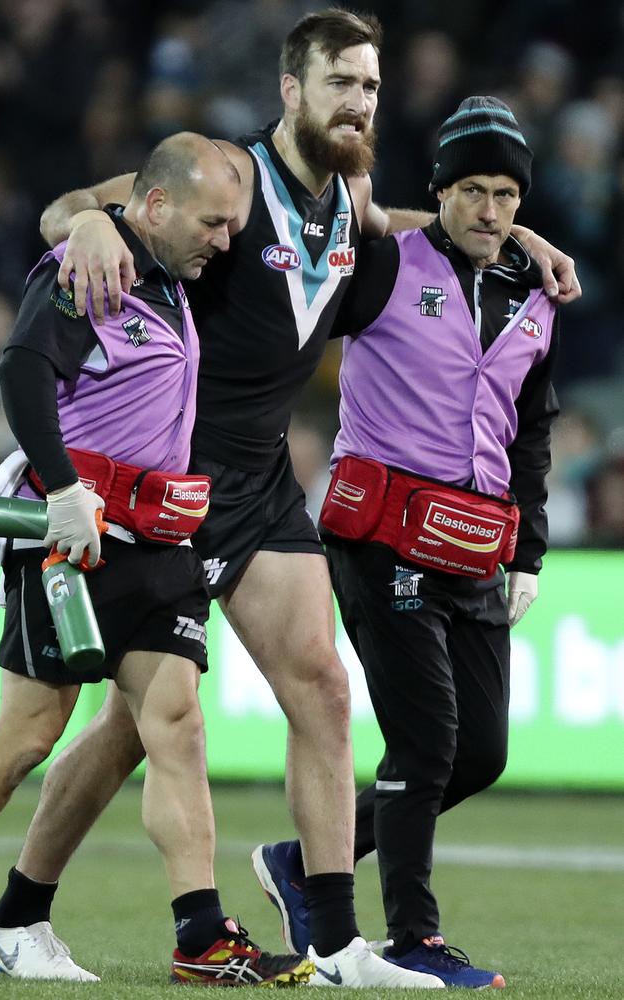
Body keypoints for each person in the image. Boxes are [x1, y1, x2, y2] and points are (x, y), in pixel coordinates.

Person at [0, 8, 578, 988]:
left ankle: (336, 943)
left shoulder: (353, 197)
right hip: (160, 478)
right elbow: (89, 206)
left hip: (257, 483)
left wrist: (521, 236)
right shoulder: (231, 175)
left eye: (371, 86)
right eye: (340, 83)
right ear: (291, 90)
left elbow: (422, 230)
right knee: (96, 726)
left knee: (321, 690)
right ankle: (18, 915)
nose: (358, 102)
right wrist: (84, 215)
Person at [0, 131, 314, 988]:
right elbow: (21, 371)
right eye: (212, 223)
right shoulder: (92, 268)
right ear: (156, 206)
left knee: (177, 724)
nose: (224, 241)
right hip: (74, 532)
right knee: (26, 737)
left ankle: (201, 938)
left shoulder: (166, 277)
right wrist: (58, 492)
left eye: (233, 226)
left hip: (162, 539)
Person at [256, 97, 562, 989]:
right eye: (473, 189)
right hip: (379, 536)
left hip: (474, 546)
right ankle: (413, 940)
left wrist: (530, 553)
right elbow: (298, 313)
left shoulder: (538, 295)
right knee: (426, 744)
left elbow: (531, 433)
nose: (491, 210)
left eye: (507, 193)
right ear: (440, 191)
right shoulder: (388, 264)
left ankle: (302, 863)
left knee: (481, 753)